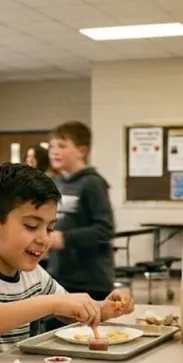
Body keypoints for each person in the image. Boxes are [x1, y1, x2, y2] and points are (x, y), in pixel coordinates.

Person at [0, 163, 134, 363]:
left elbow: (69, 310)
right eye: (31, 226)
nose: (44, 239)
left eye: (49, 229)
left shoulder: (33, 275)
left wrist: (104, 309)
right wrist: (49, 303)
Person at [47, 121, 115, 307]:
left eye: (62, 146)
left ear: (82, 151)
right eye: (52, 146)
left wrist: (65, 239)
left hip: (89, 280)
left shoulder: (92, 183)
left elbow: (105, 229)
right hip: (59, 276)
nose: (54, 151)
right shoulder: (56, 183)